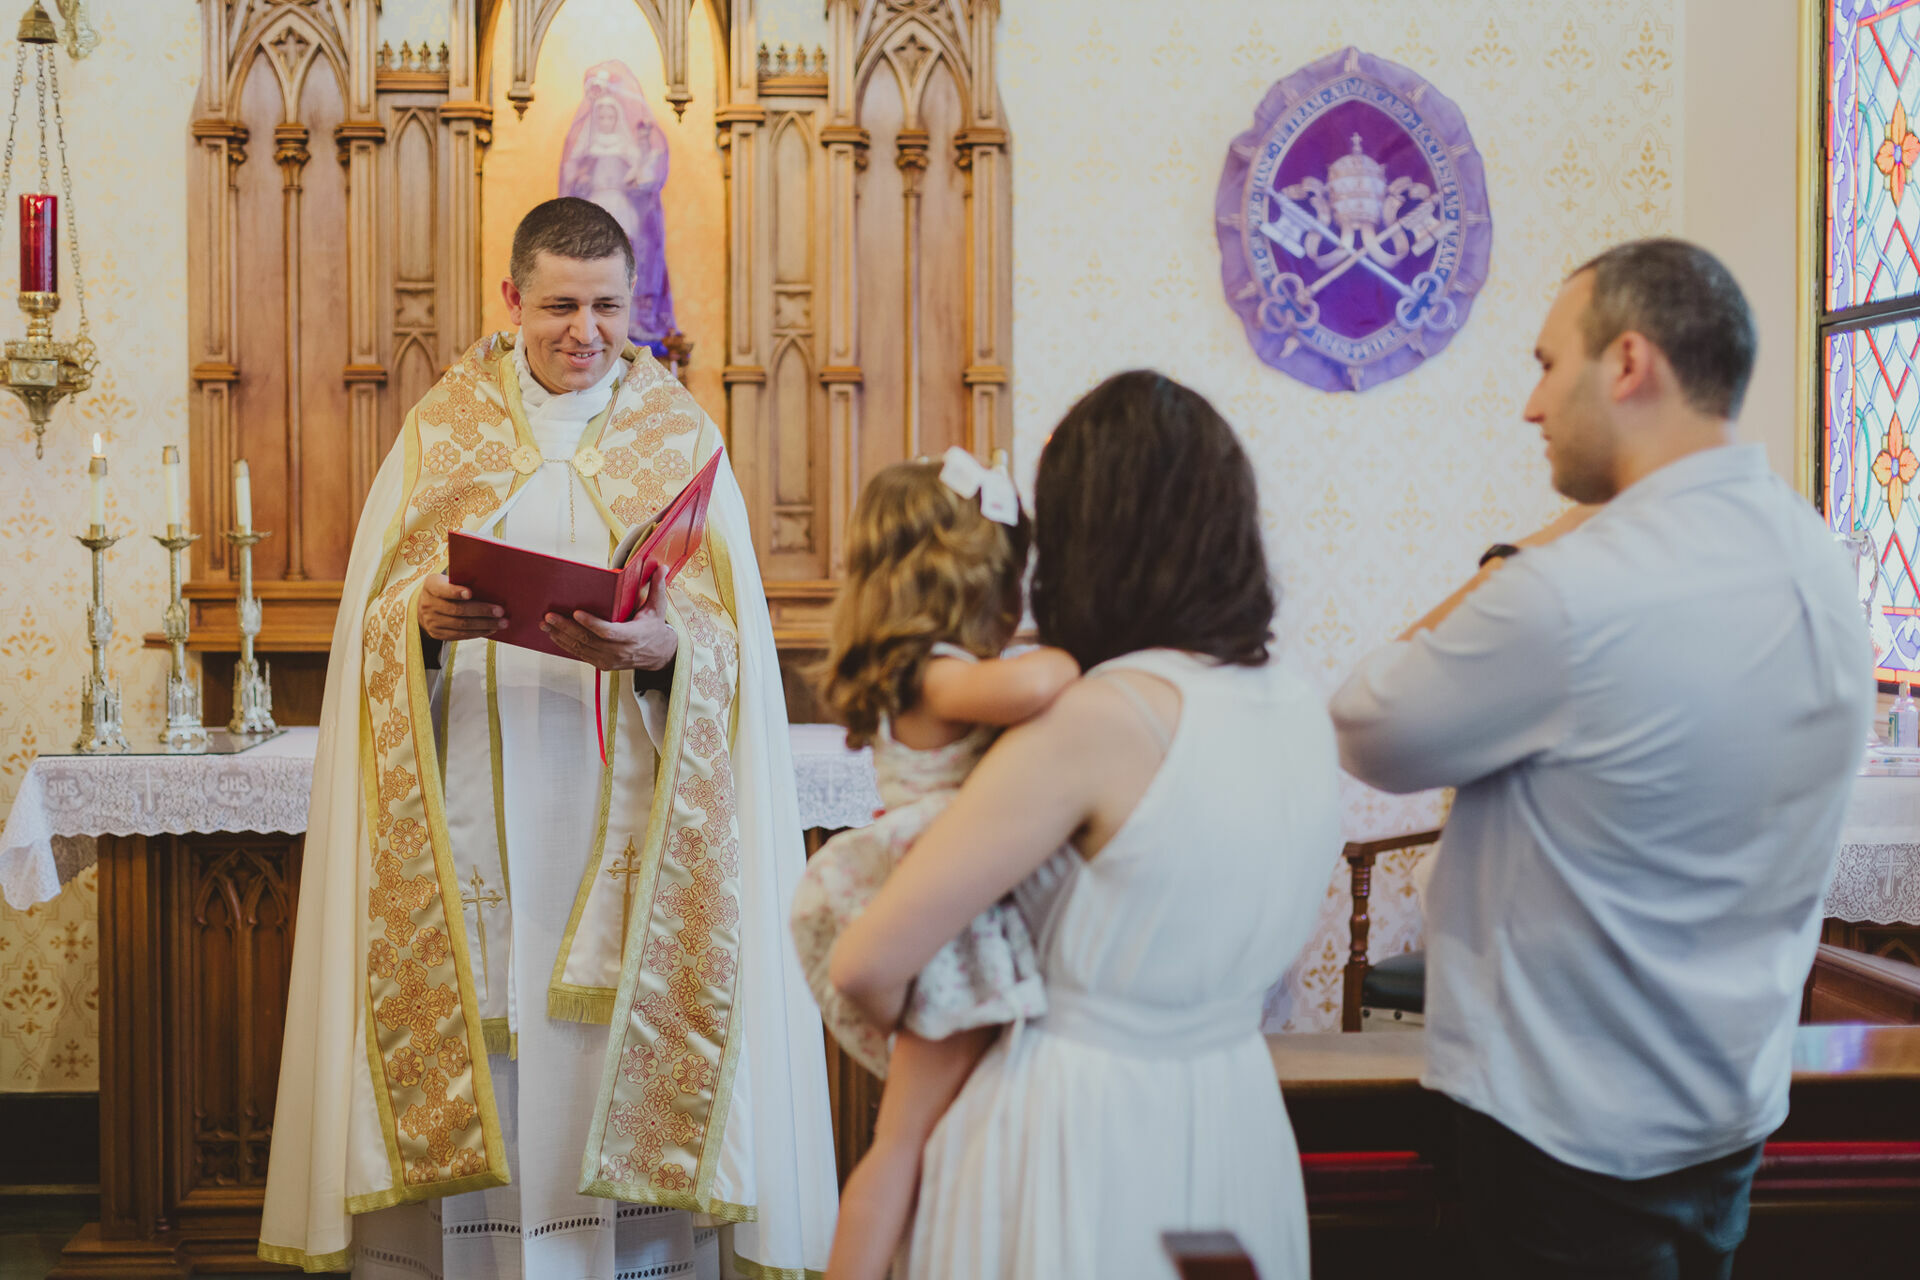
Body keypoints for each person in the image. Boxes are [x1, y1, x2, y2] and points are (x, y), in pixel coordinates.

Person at [259, 197, 836, 1278]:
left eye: (610, 306)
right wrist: (423, 625)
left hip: (626, 826)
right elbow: (373, 622)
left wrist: (664, 647)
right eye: (562, 305)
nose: (587, 330)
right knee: (498, 1037)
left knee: (596, 1031)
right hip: (472, 811)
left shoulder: (681, 436)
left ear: (636, 305)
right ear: (513, 299)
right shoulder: (443, 429)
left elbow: (732, 641)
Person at [1329, 239, 1874, 1279]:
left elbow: (1366, 722)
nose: (1531, 406)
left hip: (1561, 1140)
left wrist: (1528, 550)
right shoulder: (1820, 560)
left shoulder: (1572, 589)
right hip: (1725, 1111)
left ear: (1628, 364)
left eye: (1545, 363)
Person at [831, 370, 1343, 1279]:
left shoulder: (1100, 717)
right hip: (1234, 1112)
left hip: (1073, 1130)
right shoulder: (1297, 704)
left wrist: (940, 1033)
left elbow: (870, 961)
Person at [790, 453, 1078, 1279]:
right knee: (905, 1142)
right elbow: (1038, 689)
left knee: (927, 1135)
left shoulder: (919, 668)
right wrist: (1073, 653)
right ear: (969, 585)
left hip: (943, 904)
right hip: (943, 916)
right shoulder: (943, 674)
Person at [561, 60, 677, 356]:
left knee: (627, 260)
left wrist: (640, 172)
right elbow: (572, 182)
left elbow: (646, 179)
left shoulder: (629, 147)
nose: (607, 119)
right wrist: (583, 178)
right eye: (603, 113)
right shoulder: (585, 147)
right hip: (595, 207)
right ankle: (592, 313)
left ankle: (630, 317)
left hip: (623, 210)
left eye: (612, 114)